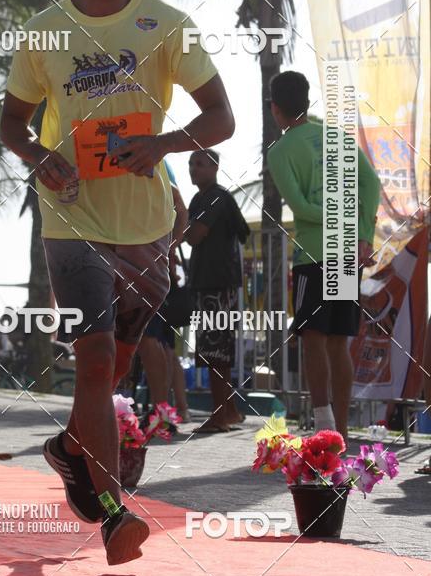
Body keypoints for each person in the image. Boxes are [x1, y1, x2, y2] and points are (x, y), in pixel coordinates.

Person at [0, 0, 235, 565]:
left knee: (117, 365)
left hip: (148, 224)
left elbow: (221, 118)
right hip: (71, 217)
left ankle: (71, 450)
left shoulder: (166, 23)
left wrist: (162, 146)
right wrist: (42, 158)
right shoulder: (45, 31)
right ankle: (111, 511)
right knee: (96, 358)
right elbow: (12, 123)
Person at [266, 71, 380, 441]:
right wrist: (361, 232)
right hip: (346, 251)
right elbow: (371, 184)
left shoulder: (280, 151)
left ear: (275, 109)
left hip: (313, 254)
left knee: (314, 339)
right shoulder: (337, 137)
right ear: (308, 100)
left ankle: (324, 427)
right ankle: (341, 431)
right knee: (338, 343)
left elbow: (298, 206)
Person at [185, 149, 250, 432]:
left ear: (214, 168)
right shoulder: (202, 198)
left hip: (219, 284)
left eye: (199, 164)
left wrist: (180, 226)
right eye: (190, 164)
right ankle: (229, 411)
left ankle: (220, 414)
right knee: (213, 350)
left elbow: (194, 235)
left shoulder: (215, 196)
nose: (193, 169)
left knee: (216, 352)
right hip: (207, 283)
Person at [137, 160, 189, 417]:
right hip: (128, 258)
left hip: (147, 262)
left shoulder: (154, 153)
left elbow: (180, 208)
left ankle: (164, 410)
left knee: (151, 338)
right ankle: (170, 409)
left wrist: (166, 248)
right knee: (154, 341)